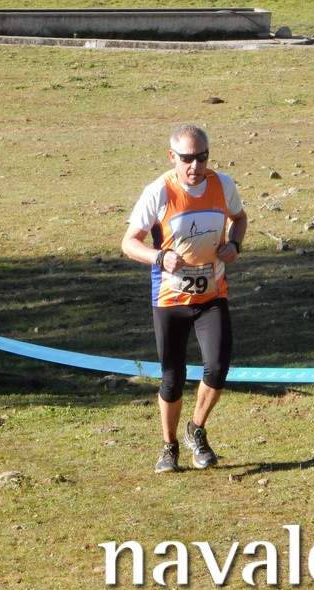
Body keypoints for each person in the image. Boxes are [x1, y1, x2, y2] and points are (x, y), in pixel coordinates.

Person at [121, 124, 247, 473]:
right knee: (172, 376)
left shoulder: (223, 185)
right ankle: (169, 446)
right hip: (170, 299)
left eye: (202, 157)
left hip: (212, 296)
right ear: (172, 157)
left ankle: (197, 429)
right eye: (187, 158)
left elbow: (239, 219)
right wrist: (159, 257)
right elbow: (129, 243)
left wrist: (234, 244)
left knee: (218, 367)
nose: (195, 165)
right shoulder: (159, 192)